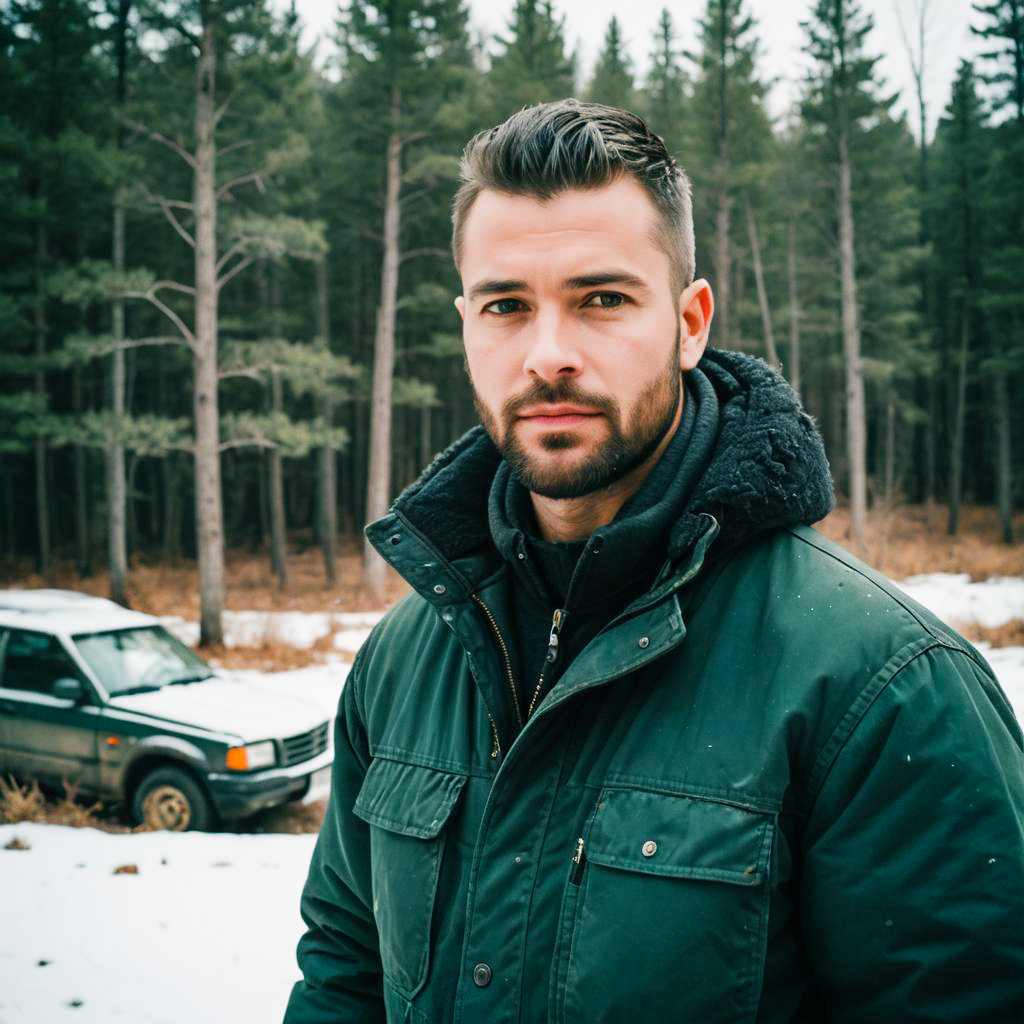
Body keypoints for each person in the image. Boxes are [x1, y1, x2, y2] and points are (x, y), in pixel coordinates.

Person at [284, 100, 1024, 1023]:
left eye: (602, 299)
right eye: (506, 306)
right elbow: (345, 970)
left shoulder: (883, 686)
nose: (547, 355)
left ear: (690, 320)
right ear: (467, 322)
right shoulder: (404, 661)